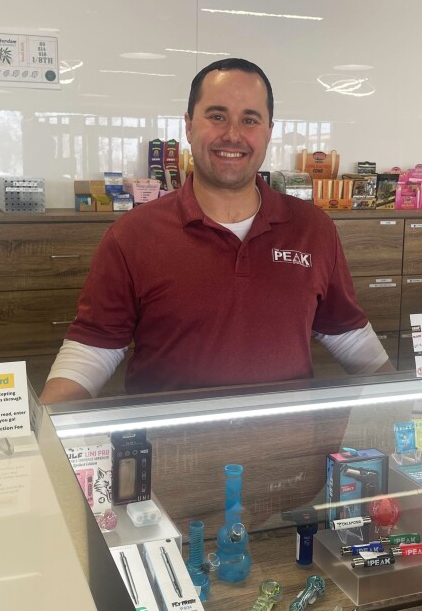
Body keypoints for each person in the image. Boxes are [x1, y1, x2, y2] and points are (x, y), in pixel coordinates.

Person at [39, 58, 392, 404]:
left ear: (269, 132)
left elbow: (347, 333)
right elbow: (94, 347)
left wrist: (411, 404)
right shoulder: (132, 235)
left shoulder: (313, 228)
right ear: (189, 125)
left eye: (249, 119)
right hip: (171, 450)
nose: (233, 135)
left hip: (287, 446)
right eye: (217, 116)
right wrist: (42, 437)